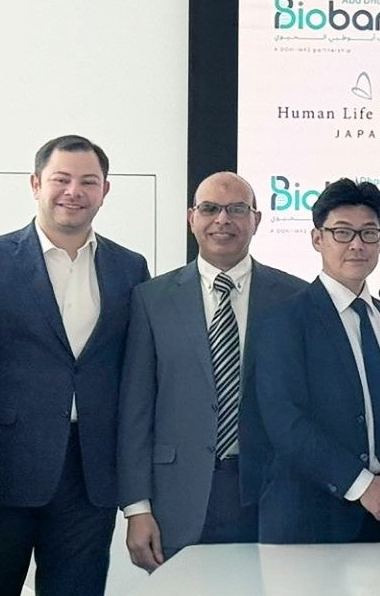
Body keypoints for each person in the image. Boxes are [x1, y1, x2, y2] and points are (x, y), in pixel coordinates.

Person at [0, 135, 150, 596]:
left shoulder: (129, 267)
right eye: (61, 179)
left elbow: (136, 380)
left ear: (105, 190)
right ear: (36, 184)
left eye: (88, 181)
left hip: (90, 480)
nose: (73, 192)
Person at [117, 172, 306, 571]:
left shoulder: (295, 297)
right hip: (177, 496)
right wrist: (136, 508)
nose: (223, 219)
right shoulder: (151, 299)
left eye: (237, 209)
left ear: (256, 219)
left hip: (271, 495)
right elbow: (135, 410)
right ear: (192, 218)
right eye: (210, 209)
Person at [253, 179, 380, 544]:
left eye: (369, 233)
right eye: (342, 232)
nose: (357, 244)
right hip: (309, 523)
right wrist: (361, 485)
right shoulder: (285, 320)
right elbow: (285, 420)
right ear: (317, 239)